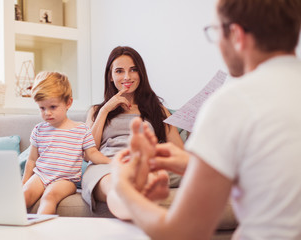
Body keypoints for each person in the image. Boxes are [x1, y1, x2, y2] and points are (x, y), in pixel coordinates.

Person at [111, 0, 301, 239]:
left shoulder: (233, 102)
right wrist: (192, 164)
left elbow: (181, 232)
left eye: (215, 32)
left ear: (236, 34)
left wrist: (122, 187)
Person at [81, 46, 184, 219]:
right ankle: (134, 210)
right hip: (107, 166)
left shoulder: (157, 109)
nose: (127, 77)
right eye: (119, 71)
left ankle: (139, 205)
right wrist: (105, 110)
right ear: (110, 76)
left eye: (133, 70)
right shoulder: (96, 111)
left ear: (140, 74)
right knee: (114, 186)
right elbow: (87, 154)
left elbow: (180, 152)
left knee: (151, 177)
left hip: (144, 164)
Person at [22, 71, 110, 215]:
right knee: (24, 195)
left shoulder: (81, 130)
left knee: (49, 198)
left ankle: (40, 232)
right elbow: (32, 160)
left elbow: (92, 154)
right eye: (42, 108)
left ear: (68, 103)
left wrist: (111, 161)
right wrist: (24, 182)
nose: (47, 113)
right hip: (41, 175)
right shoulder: (39, 130)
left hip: (66, 180)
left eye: (53, 107)